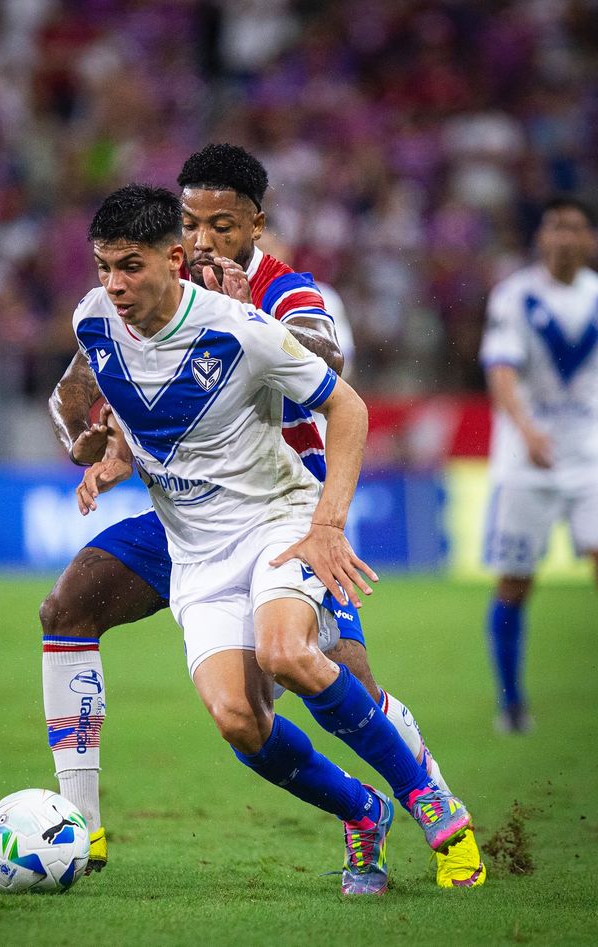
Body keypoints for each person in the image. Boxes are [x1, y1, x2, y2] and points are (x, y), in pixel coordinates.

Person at [42, 144, 484, 888]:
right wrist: (102, 441)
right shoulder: (103, 315)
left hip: (288, 504)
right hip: (187, 525)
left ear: (255, 222)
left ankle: (434, 802)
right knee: (107, 630)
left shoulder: (276, 299)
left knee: (319, 664)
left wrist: (328, 523)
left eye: (220, 224)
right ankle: (83, 822)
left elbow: (329, 374)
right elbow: (81, 396)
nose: (207, 239)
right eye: (193, 222)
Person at [480, 196, 598, 732]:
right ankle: (511, 703)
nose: (564, 237)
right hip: (526, 463)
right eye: (555, 227)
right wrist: (526, 428)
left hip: (589, 457)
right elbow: (501, 368)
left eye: (574, 228)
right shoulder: (515, 295)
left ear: (589, 240)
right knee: (515, 584)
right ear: (541, 238)